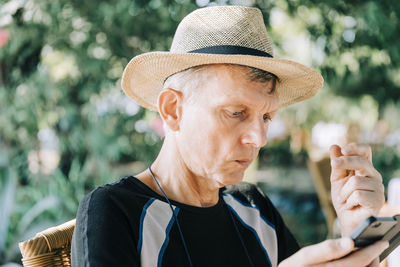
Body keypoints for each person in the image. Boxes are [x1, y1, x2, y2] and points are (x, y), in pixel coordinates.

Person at [71, 5, 387, 267]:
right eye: (236, 113)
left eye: (266, 117)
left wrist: (353, 233)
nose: (259, 138)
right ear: (172, 110)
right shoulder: (115, 211)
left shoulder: (254, 208)